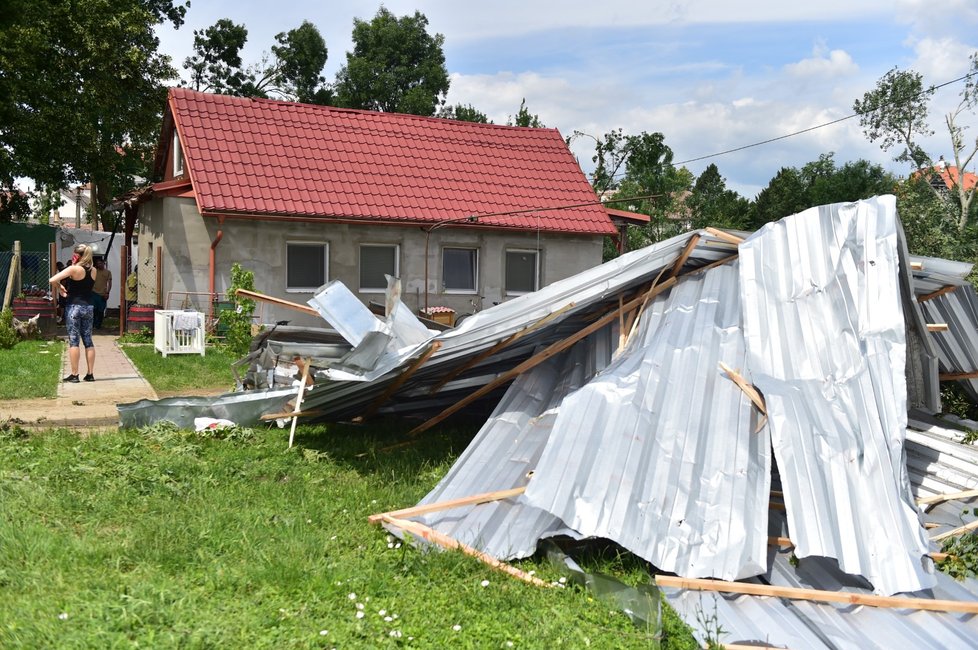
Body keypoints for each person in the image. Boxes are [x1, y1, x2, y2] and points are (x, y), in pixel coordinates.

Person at [49, 244, 97, 382]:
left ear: (78, 255)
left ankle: (75, 375)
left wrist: (59, 287)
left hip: (74, 307)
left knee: (74, 341)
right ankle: (90, 374)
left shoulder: (73, 269)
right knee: (88, 340)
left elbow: (52, 280)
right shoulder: (93, 270)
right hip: (88, 307)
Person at [91, 257, 112, 329]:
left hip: (102, 294)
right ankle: (93, 324)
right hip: (94, 293)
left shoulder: (108, 272)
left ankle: (98, 325)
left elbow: (109, 283)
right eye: (97, 264)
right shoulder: (94, 271)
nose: (99, 265)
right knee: (94, 309)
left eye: (100, 263)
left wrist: (107, 292)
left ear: (103, 263)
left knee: (101, 310)